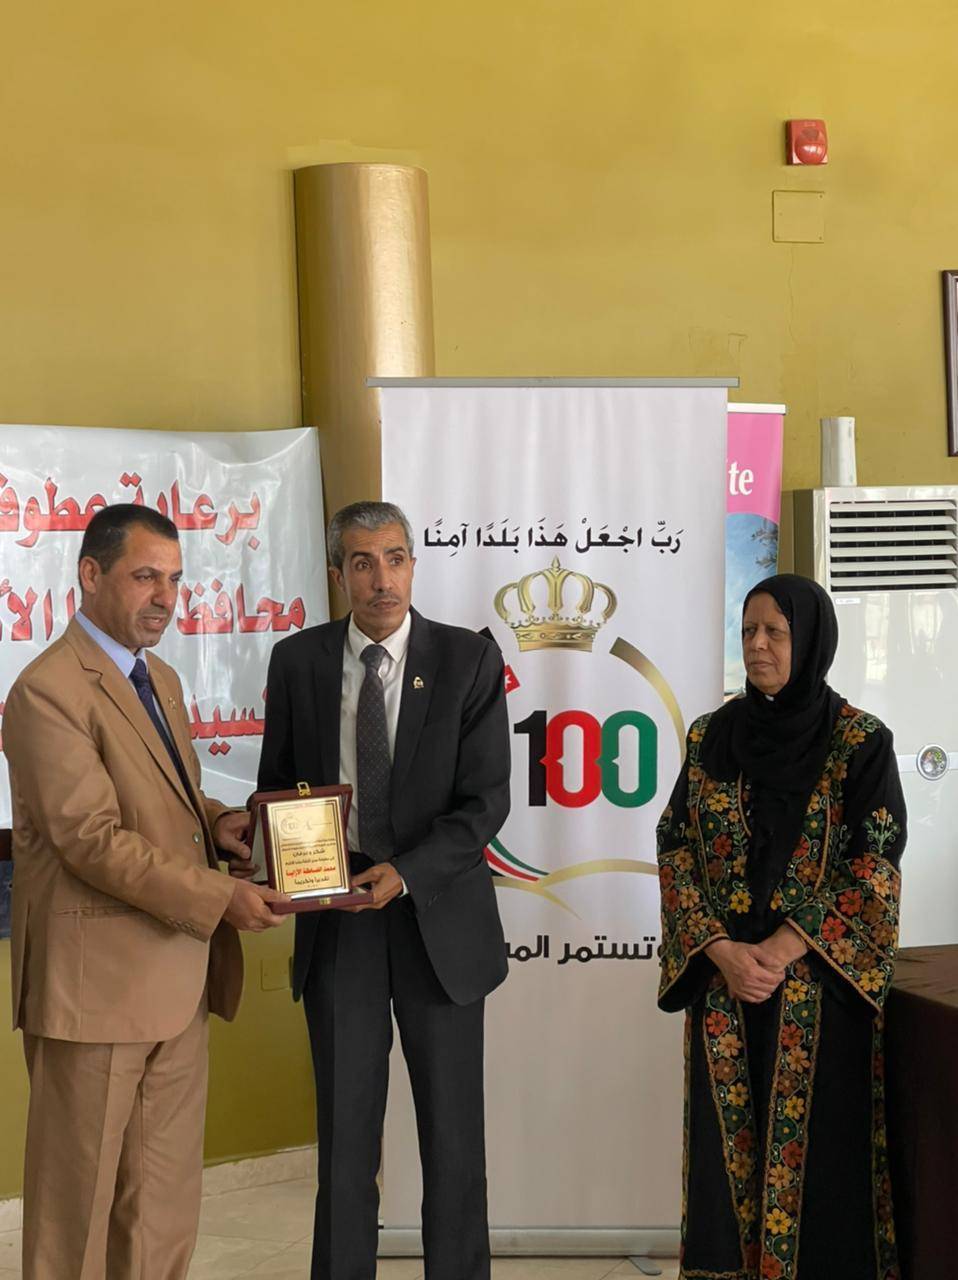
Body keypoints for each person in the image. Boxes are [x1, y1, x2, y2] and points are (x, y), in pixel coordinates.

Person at [4, 504, 288, 1280]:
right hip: (94, 991)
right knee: (75, 1217)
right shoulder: (46, 691)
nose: (165, 597)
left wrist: (218, 821)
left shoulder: (158, 677)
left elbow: (161, 798)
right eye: (144, 577)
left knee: (162, 1207)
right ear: (90, 575)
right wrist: (217, 898)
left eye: (174, 579)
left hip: (176, 980)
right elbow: (91, 839)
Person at [251, 500, 510, 1280]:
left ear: (413, 565)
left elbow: (486, 803)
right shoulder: (298, 661)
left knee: (453, 1143)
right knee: (345, 1141)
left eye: (395, 559)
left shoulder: (467, 659)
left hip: (439, 920)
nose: (382, 579)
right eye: (362, 563)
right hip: (341, 923)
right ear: (339, 574)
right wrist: (270, 854)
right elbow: (278, 787)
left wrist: (409, 872)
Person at [656, 574, 905, 1280]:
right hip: (724, 992)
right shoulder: (710, 737)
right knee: (724, 1169)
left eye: (775, 632)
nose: (758, 645)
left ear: (812, 640)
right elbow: (675, 847)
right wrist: (722, 950)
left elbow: (874, 862)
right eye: (748, 631)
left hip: (818, 992)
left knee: (822, 1169)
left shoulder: (859, 741)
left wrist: (780, 948)